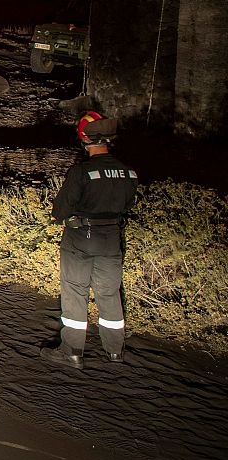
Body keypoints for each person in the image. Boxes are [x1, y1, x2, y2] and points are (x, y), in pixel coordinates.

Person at [42, 111, 139, 369]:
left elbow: (59, 211)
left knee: (75, 291)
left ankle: (72, 352)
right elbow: (128, 204)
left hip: (80, 238)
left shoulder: (81, 172)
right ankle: (115, 350)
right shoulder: (129, 172)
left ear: (85, 139)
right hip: (111, 239)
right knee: (109, 292)